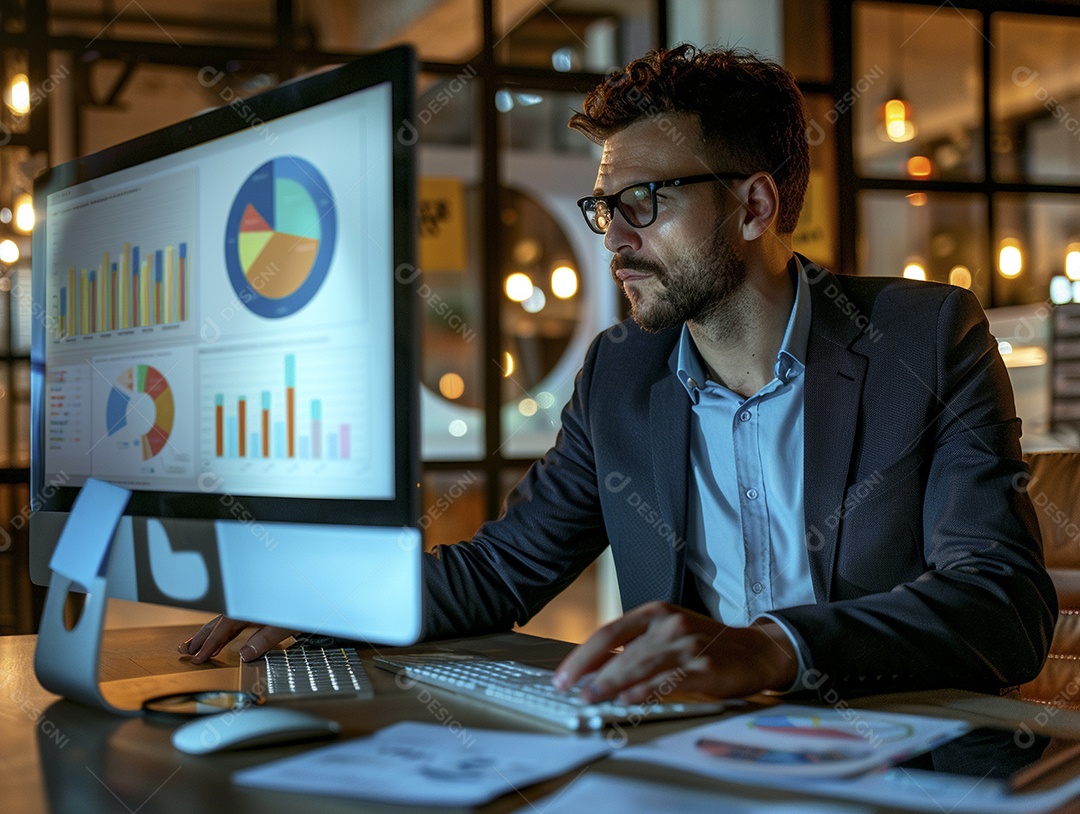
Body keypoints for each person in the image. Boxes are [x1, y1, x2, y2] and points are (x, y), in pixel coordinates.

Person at [183, 45, 1056, 703]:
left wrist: (770, 646)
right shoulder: (622, 373)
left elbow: (1001, 604)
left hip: (894, 764)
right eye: (604, 207)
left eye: (644, 202)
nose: (612, 238)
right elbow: (501, 572)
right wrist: (318, 589)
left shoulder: (924, 337)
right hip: (688, 757)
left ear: (754, 205)